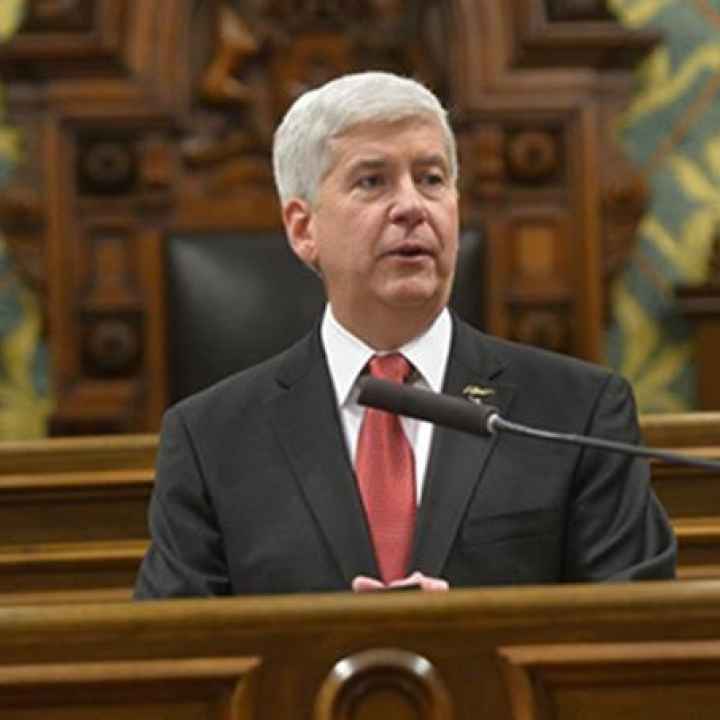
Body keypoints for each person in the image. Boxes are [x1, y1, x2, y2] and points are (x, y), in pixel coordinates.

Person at [134, 71, 676, 598]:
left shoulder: (576, 414)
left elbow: (637, 633)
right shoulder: (211, 439)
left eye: (432, 178)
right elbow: (172, 659)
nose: (412, 206)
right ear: (303, 228)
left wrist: (470, 634)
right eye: (372, 181)